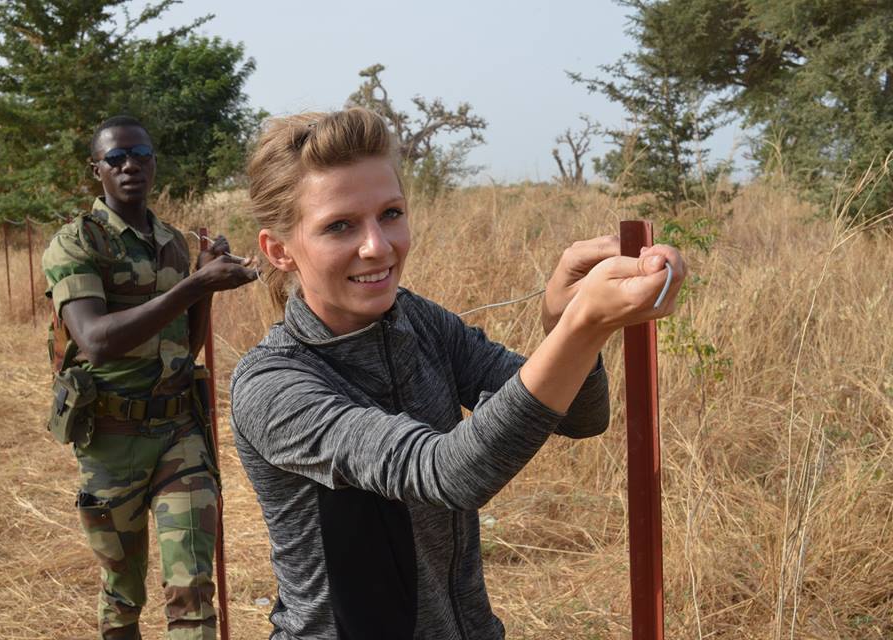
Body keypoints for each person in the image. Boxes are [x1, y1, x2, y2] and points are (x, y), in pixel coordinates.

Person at [229, 107, 685, 639]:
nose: (377, 245)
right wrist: (580, 329)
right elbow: (446, 473)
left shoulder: (418, 322)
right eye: (339, 226)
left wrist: (562, 319)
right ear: (279, 250)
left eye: (391, 213)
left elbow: (581, 416)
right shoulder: (273, 384)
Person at [41, 115, 258, 639]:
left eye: (140, 154)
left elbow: (184, 340)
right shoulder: (76, 243)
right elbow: (94, 338)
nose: (129, 164)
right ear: (98, 171)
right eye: (115, 158)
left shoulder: (171, 243)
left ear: (154, 163)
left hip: (178, 434)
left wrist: (203, 278)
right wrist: (195, 284)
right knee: (124, 592)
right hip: (111, 442)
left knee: (193, 588)